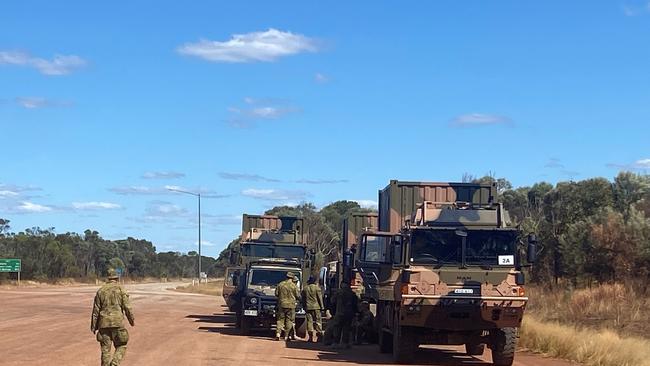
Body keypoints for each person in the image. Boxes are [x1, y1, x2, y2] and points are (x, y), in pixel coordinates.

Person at [90, 268, 135, 366]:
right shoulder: (121, 289)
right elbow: (127, 307)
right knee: (122, 345)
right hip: (117, 323)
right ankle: (114, 363)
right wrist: (131, 320)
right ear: (116, 278)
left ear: (108, 278)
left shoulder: (100, 291)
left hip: (103, 324)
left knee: (105, 350)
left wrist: (93, 326)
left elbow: (96, 311)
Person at [331, 281, 358, 348]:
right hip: (348, 313)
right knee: (346, 328)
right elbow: (355, 304)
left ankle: (336, 343)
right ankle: (344, 343)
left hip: (339, 313)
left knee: (337, 328)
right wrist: (355, 313)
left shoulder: (337, 293)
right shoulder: (352, 294)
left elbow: (332, 302)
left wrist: (333, 312)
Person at [275, 272, 300, 341]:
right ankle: (286, 336)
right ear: (292, 278)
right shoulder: (294, 286)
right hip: (291, 305)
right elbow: (298, 296)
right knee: (289, 321)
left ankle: (278, 333)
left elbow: (276, 294)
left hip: (282, 304)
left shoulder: (280, 284)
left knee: (280, 320)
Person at [302, 275, 324, 342]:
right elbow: (320, 298)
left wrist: (304, 306)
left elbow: (303, 299)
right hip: (316, 307)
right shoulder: (317, 288)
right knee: (318, 321)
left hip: (308, 307)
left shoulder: (305, 288)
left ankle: (310, 337)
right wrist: (322, 307)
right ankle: (319, 336)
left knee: (309, 322)